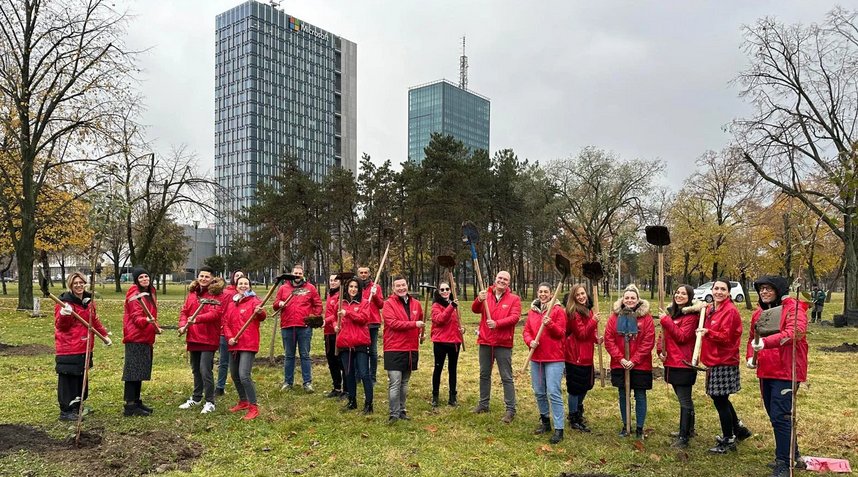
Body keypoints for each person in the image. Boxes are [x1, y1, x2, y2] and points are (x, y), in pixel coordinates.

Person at [747, 276, 809, 477]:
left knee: (780, 416)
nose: (763, 292)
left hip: (786, 370)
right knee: (775, 416)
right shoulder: (760, 314)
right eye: (761, 289)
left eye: (768, 289)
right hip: (766, 370)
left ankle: (783, 462)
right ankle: (793, 454)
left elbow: (795, 332)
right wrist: (751, 356)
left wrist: (767, 343)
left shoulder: (794, 308)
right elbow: (752, 338)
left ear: (778, 290)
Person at [699, 278, 752, 453]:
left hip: (724, 360)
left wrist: (708, 333)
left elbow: (726, 337)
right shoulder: (713, 308)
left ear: (729, 292)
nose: (719, 292)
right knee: (720, 398)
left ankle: (728, 440)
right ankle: (738, 429)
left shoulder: (730, 311)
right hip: (713, 359)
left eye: (723, 289)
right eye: (716, 288)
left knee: (720, 400)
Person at [54, 272, 110, 421]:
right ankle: (66, 411)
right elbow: (61, 326)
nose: (78, 286)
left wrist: (104, 335)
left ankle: (77, 406)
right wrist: (64, 314)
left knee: (81, 377)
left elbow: (94, 321)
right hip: (69, 347)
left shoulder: (88, 301)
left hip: (84, 346)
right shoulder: (64, 302)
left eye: (81, 283)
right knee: (68, 379)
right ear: (70, 286)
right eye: (75, 283)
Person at [603, 284, 654, 439]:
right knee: (623, 394)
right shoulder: (615, 317)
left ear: (638, 299)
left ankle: (639, 428)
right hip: (620, 363)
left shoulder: (646, 318)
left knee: (640, 394)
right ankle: (626, 425)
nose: (630, 300)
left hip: (640, 365)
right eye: (627, 298)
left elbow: (648, 341)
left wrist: (634, 360)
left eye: (633, 298)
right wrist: (621, 359)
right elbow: (609, 339)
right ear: (622, 299)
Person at [471, 270, 522, 423]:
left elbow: (515, 318)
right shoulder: (485, 295)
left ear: (509, 283)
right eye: (500, 278)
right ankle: (483, 403)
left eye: (505, 279)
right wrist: (479, 300)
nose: (502, 281)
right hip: (486, 341)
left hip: (503, 343)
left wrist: (497, 324)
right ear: (495, 279)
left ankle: (510, 409)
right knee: (484, 374)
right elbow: (474, 309)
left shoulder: (514, 299)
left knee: (506, 376)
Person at [657, 284, 704, 448]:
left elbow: (682, 337)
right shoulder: (671, 314)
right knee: (683, 398)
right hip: (671, 361)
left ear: (690, 297)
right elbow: (663, 334)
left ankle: (684, 437)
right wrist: (659, 350)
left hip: (683, 363)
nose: (679, 295)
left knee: (685, 400)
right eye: (677, 292)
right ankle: (689, 429)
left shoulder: (691, 317)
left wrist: (666, 320)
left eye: (684, 293)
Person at [523, 283, 567, 444]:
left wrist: (550, 324)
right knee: (539, 391)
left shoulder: (557, 311)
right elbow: (526, 331)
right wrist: (530, 341)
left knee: (553, 392)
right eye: (540, 291)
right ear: (537, 293)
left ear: (550, 294)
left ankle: (559, 428)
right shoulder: (533, 311)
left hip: (554, 358)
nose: (543, 294)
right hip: (536, 357)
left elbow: (561, 333)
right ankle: (545, 422)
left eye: (546, 292)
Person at [178, 266, 225, 414]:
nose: (203, 279)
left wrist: (197, 319)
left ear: (212, 278)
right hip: (193, 336)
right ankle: (196, 397)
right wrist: (182, 325)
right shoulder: (192, 293)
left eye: (207, 276)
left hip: (208, 337)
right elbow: (185, 311)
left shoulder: (216, 294)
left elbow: (215, 314)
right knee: (196, 369)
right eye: (201, 276)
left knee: (205, 370)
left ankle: (210, 401)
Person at [273, 265, 322, 392]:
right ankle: (288, 382)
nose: (298, 275)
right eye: (296, 273)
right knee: (289, 355)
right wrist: (279, 304)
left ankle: (307, 383)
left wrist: (313, 317)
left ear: (303, 274)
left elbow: (318, 304)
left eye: (300, 273)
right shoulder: (284, 288)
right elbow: (275, 304)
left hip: (304, 327)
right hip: (288, 326)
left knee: (305, 355)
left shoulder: (310, 288)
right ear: (292, 274)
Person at [382, 275, 424, 424]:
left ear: (407, 286)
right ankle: (393, 414)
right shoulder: (388, 304)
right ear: (393, 288)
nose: (401, 288)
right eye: (398, 286)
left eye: (403, 285)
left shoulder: (416, 304)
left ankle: (402, 410)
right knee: (395, 382)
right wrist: (414, 325)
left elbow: (421, 320)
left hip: (411, 348)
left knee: (405, 382)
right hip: (394, 348)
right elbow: (393, 324)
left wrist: (420, 334)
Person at [223, 276, 266, 420]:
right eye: (240, 283)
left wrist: (260, 311)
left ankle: (254, 407)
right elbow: (226, 323)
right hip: (234, 344)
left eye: (246, 283)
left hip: (248, 343)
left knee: (244, 375)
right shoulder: (231, 304)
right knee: (235, 375)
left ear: (250, 286)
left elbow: (262, 316)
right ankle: (243, 401)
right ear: (236, 286)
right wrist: (229, 337)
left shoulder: (255, 301)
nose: (243, 286)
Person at [122, 268, 160, 417]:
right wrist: (146, 320)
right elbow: (136, 317)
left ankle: (136, 401)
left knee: (140, 370)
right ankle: (130, 405)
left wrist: (153, 325)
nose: (144, 279)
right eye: (141, 277)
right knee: (133, 372)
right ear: (136, 280)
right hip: (135, 337)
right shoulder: (134, 294)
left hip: (145, 336)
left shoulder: (150, 292)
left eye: (146, 276)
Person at [564, 284, 601, 433]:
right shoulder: (573, 313)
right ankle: (574, 417)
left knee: (585, 386)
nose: (581, 297)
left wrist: (596, 339)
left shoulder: (588, 310)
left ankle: (578, 411)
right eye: (577, 295)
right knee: (575, 388)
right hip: (575, 355)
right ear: (573, 297)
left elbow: (589, 334)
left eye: (582, 293)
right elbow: (581, 334)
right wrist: (593, 322)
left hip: (587, 355)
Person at [335, 277, 374, 413]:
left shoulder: (364, 303)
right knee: (348, 373)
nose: (353, 289)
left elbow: (364, 319)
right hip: (345, 343)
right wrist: (335, 325)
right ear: (347, 288)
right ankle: (352, 401)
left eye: (356, 287)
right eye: (351, 286)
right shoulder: (341, 303)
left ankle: (369, 404)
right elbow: (335, 318)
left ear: (359, 289)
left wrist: (349, 313)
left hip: (360, 343)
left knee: (364, 373)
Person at [430, 281, 464, 408]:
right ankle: (435, 396)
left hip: (454, 342)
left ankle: (452, 396)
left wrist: (462, 330)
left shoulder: (454, 305)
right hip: (440, 342)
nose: (445, 291)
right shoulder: (436, 306)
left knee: (452, 369)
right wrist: (451, 307)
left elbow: (457, 322)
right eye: (442, 289)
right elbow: (440, 320)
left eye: (447, 289)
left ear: (451, 290)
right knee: (438, 368)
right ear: (438, 292)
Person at [216, 270, 243, 396]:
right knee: (224, 360)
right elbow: (221, 310)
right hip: (225, 332)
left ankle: (242, 382)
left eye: (241, 276)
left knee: (242, 361)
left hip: (242, 333)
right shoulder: (227, 293)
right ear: (233, 278)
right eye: (237, 275)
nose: (239, 278)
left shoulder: (248, 294)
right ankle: (220, 386)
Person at [357, 266, 385, 385]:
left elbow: (381, 305)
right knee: (359, 350)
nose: (363, 274)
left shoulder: (376, 287)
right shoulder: (355, 287)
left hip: (372, 322)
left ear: (369, 274)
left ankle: (372, 376)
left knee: (372, 351)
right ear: (358, 274)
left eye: (365, 273)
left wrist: (374, 295)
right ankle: (359, 375)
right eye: (361, 273)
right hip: (359, 322)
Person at [323, 274, 346, 398]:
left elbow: (337, 314)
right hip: (328, 332)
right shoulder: (329, 294)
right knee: (331, 361)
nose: (332, 282)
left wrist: (326, 321)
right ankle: (336, 387)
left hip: (338, 331)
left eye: (335, 280)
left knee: (341, 361)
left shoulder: (341, 295)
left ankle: (346, 389)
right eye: (331, 280)